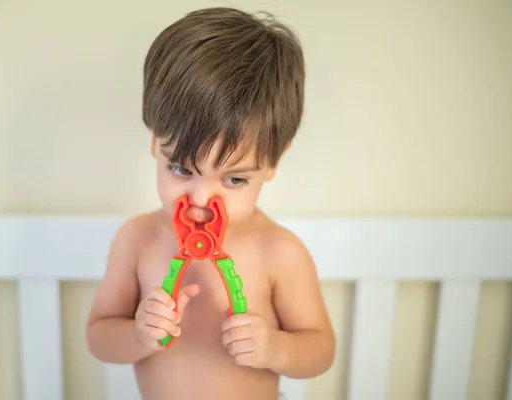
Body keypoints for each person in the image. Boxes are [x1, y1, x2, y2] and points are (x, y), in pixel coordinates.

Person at [86, 7, 335, 400]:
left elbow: (320, 350)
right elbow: (99, 337)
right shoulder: (136, 239)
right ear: (155, 144)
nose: (201, 200)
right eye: (181, 170)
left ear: (274, 162)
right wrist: (139, 334)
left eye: (234, 179)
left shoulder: (280, 251)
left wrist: (276, 348)